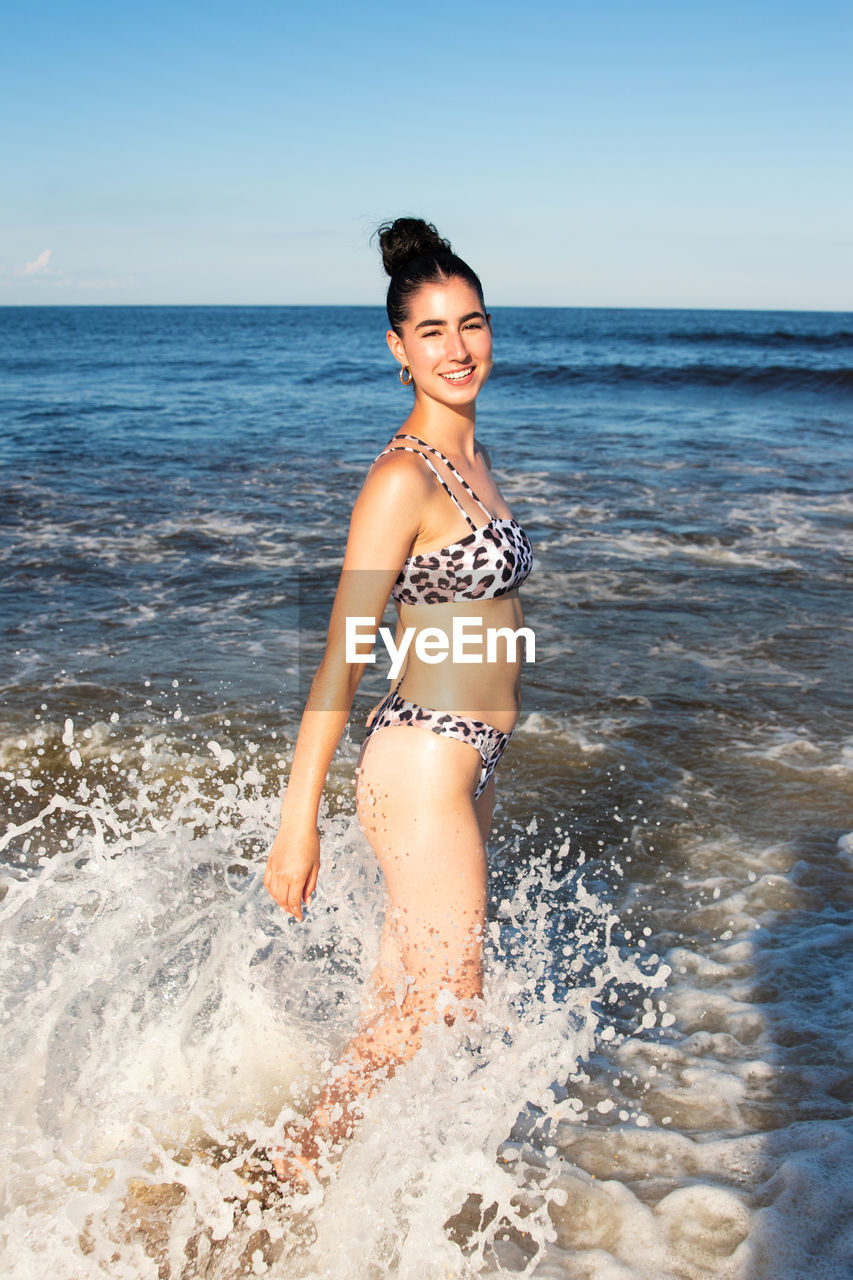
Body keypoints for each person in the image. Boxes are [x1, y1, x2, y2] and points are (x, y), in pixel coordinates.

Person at [263, 217, 533, 1183]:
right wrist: (298, 826)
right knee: (445, 1002)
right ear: (396, 348)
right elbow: (339, 657)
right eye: (432, 331)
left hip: (467, 757)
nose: (458, 349)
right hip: (420, 758)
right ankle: (275, 1180)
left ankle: (345, 1190)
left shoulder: (473, 455)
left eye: (472, 324)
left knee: (405, 1001)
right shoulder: (399, 477)